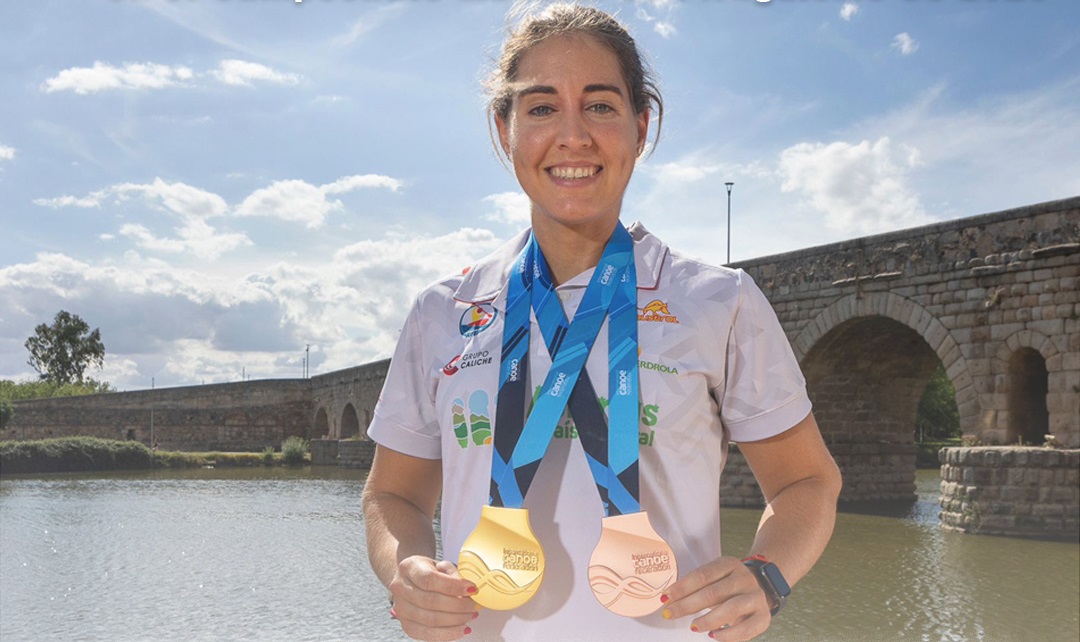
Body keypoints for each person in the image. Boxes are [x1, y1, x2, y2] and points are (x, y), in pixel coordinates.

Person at [361, 4, 842, 641]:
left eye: (600, 105)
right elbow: (391, 498)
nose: (573, 136)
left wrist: (766, 574)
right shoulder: (443, 310)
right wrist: (408, 568)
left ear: (641, 127)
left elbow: (807, 480)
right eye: (539, 108)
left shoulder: (717, 300)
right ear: (504, 131)